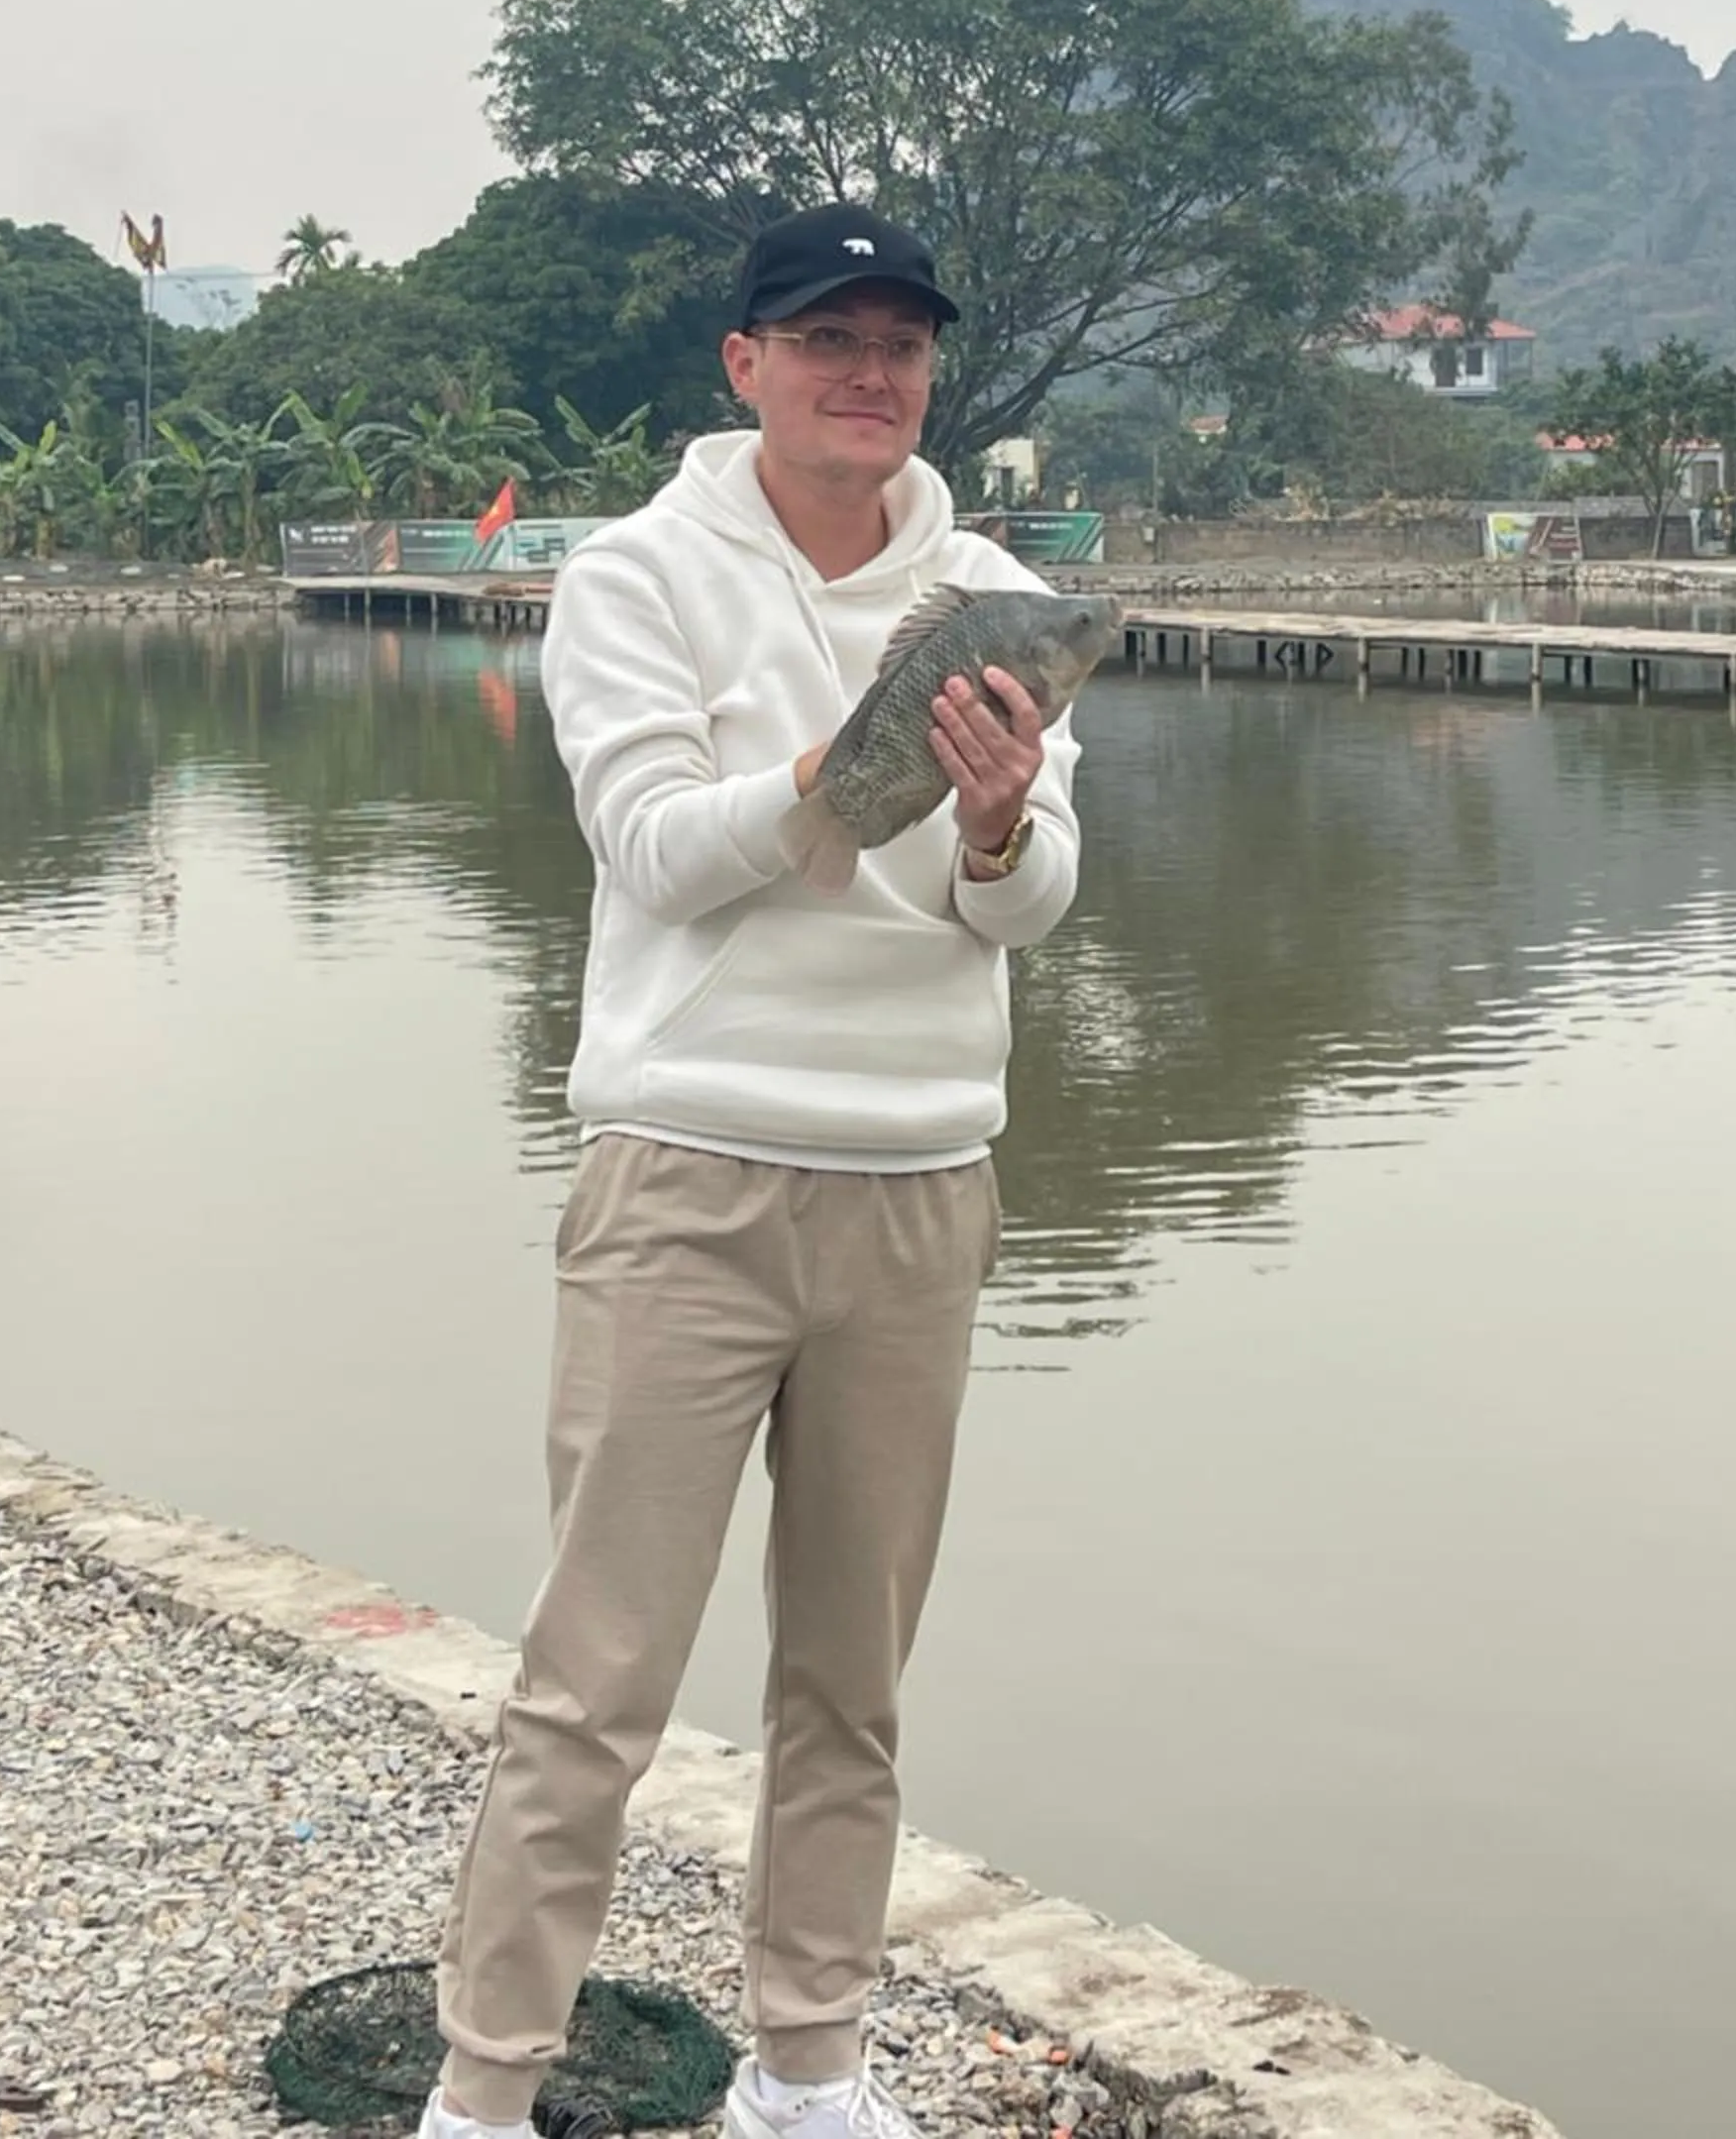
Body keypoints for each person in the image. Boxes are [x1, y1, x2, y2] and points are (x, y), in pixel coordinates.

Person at [423, 203, 1090, 2139]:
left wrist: (988, 815)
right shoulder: (636, 578)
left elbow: (1039, 906)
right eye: (826, 338)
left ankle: (807, 2073)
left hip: (919, 1184)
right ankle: (483, 2095)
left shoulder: (990, 597)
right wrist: (846, 763)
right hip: (689, 1177)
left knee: (850, 1682)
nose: (869, 371)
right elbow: (647, 847)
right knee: (593, 1681)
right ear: (747, 366)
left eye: (900, 341)